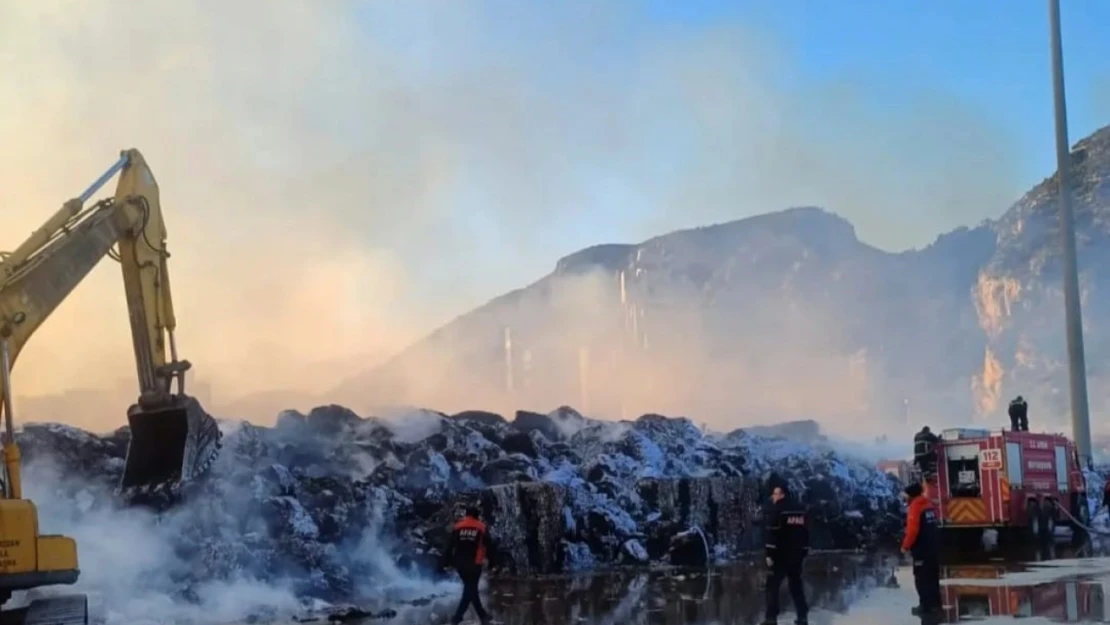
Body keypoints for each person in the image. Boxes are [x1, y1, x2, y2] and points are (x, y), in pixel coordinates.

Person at [761, 483, 809, 625]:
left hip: (780, 554)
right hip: (797, 554)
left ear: (782, 495)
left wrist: (769, 554)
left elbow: (772, 533)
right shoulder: (801, 510)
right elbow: (805, 533)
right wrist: (804, 551)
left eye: (775, 494)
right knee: (796, 585)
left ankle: (771, 618)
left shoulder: (778, 510)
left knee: (772, 586)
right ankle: (802, 615)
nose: (773, 497)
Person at [442, 506, 494, 625]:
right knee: (469, 590)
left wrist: (445, 562)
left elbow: (450, 546)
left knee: (471, 589)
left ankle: (483, 616)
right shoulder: (481, 527)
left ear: (466, 514)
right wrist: (492, 563)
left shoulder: (458, 526)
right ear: (477, 515)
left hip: (460, 564)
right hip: (475, 563)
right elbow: (489, 547)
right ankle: (457, 618)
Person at [902, 482, 942, 617]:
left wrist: (905, 546)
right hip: (933, 547)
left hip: (921, 549)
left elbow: (912, 530)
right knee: (933, 577)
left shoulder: (915, 507)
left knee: (922, 578)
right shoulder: (928, 505)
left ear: (911, 495)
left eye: (906, 495)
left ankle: (925, 606)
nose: (905, 498)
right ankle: (936, 605)